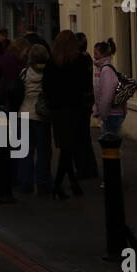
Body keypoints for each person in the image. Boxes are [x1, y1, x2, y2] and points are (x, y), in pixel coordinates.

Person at [43, 30, 89, 199]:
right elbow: (85, 84)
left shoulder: (52, 62)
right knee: (68, 147)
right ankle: (60, 184)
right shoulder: (79, 61)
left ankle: (69, 182)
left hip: (57, 109)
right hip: (73, 108)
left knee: (65, 146)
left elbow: (46, 86)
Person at [16, 43, 52, 194]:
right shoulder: (49, 74)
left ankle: (26, 183)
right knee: (43, 152)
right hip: (42, 117)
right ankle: (43, 183)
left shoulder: (24, 73)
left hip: (24, 113)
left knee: (25, 151)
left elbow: (18, 93)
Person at [73, 33, 99, 180]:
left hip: (79, 102)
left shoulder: (78, 60)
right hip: (87, 101)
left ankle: (84, 169)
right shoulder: (87, 58)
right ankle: (89, 167)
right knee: (85, 136)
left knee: (79, 137)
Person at [91, 38, 126, 138]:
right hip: (110, 114)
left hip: (111, 115)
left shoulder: (106, 70)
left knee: (110, 147)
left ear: (103, 55)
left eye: (96, 53)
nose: (94, 56)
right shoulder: (101, 69)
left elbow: (106, 95)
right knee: (109, 147)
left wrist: (103, 114)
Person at [0, 37, 31, 114]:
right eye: (26, 50)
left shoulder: (8, 58)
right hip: (12, 99)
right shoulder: (14, 62)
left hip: (6, 96)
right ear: (20, 49)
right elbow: (15, 85)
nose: (27, 53)